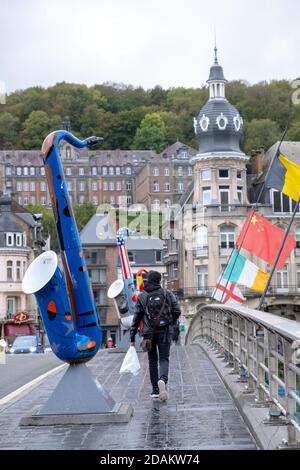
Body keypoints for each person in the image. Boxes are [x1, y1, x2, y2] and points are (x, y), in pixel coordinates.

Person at [130, 270, 181, 401]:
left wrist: (132, 336)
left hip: (148, 334)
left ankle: (155, 390)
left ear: (148, 281)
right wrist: (171, 322)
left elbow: (137, 317)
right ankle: (162, 379)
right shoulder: (167, 293)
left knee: (152, 360)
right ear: (159, 281)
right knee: (164, 359)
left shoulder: (142, 296)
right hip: (165, 331)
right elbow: (177, 310)